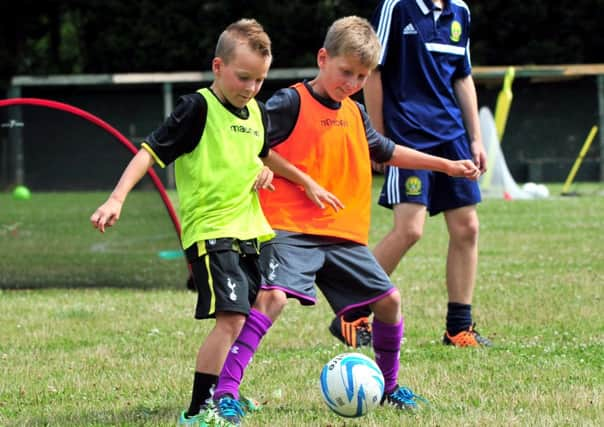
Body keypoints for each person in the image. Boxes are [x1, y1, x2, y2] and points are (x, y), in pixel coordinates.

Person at [209, 16, 480, 425]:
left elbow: (387, 151)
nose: (352, 82)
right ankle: (225, 391)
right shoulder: (290, 102)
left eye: (361, 75)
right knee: (273, 298)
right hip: (290, 228)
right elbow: (258, 148)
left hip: (341, 235)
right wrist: (303, 181)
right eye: (345, 72)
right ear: (323, 58)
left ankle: (389, 388)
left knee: (389, 301)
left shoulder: (355, 113)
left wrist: (446, 165)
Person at [89, 19, 328, 427]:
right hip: (212, 232)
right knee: (231, 318)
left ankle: (227, 392)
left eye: (259, 80)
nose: (251, 88)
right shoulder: (197, 108)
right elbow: (149, 151)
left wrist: (278, 175)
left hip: (253, 229)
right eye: (243, 77)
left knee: (267, 304)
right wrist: (117, 197)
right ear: (218, 67)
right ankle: (198, 409)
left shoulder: (255, 110)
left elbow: (260, 154)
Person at [330, 0, 492, 349]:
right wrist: (377, 135)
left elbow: (463, 76)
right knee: (410, 229)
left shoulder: (461, 11)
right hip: (407, 135)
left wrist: (475, 138)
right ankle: (351, 310)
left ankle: (458, 328)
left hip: (452, 137)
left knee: (468, 228)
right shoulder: (397, 7)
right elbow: (373, 70)